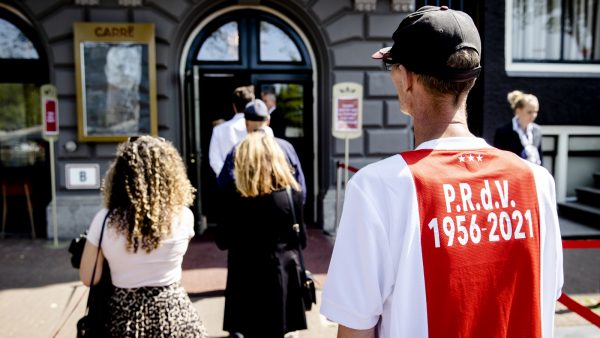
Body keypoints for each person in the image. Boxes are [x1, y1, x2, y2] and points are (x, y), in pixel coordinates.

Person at [320, 6, 563, 338]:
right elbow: (546, 295)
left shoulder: (377, 187)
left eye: (391, 67)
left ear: (406, 78)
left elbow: (355, 329)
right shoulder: (537, 182)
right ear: (472, 80)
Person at [79, 135, 208, 337]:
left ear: (121, 176)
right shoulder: (184, 216)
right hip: (175, 315)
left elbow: (89, 277)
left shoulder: (104, 220)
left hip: (123, 319)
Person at [215, 131, 309, 338]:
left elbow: (221, 240)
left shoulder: (234, 195)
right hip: (281, 279)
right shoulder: (292, 193)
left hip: (245, 282)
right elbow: (301, 240)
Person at [217, 98, 306, 204]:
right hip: (279, 212)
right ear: (268, 120)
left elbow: (224, 186)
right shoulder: (285, 147)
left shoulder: (237, 150)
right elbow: (300, 186)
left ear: (246, 123)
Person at [208, 85, 255, 175]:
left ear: (234, 106)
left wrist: (229, 178)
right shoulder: (263, 129)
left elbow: (214, 160)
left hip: (229, 183)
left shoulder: (219, 130)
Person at [494, 90, 543, 165]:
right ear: (518, 111)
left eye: (535, 112)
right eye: (529, 112)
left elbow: (540, 157)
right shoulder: (503, 132)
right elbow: (499, 160)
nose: (533, 115)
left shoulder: (537, 130)